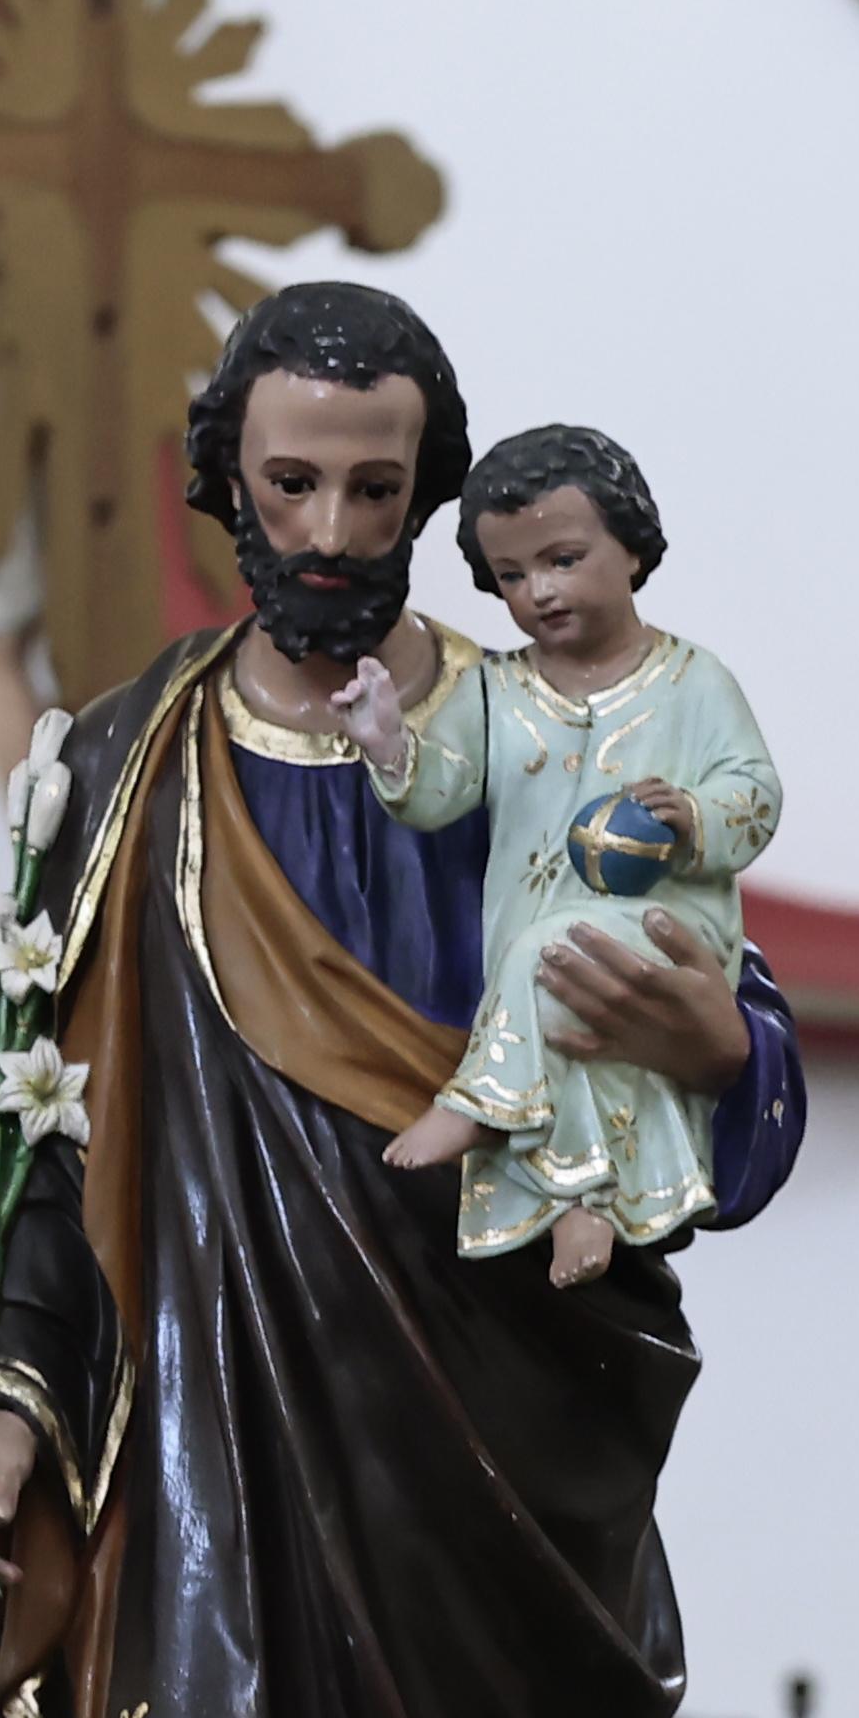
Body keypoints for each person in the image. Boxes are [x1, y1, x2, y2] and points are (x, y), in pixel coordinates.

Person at [0, 281, 811, 1718]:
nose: (327, 535)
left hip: (475, 1475)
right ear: (225, 484)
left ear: (433, 499)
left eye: (375, 491)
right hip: (196, 1494)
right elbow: (34, 1149)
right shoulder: (116, 771)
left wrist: (718, 1054)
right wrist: (2, 1396)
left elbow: (728, 1050)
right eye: (291, 484)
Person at [336, 423, 780, 1286]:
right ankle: (588, 1205)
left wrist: (693, 815)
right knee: (569, 1023)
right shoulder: (496, 691)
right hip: (530, 950)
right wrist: (389, 745)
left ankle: (475, 1105)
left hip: (668, 921)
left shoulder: (694, 683)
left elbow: (755, 794)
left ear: (633, 552)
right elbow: (439, 792)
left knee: (558, 955)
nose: (538, 590)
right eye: (511, 576)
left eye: (564, 559)